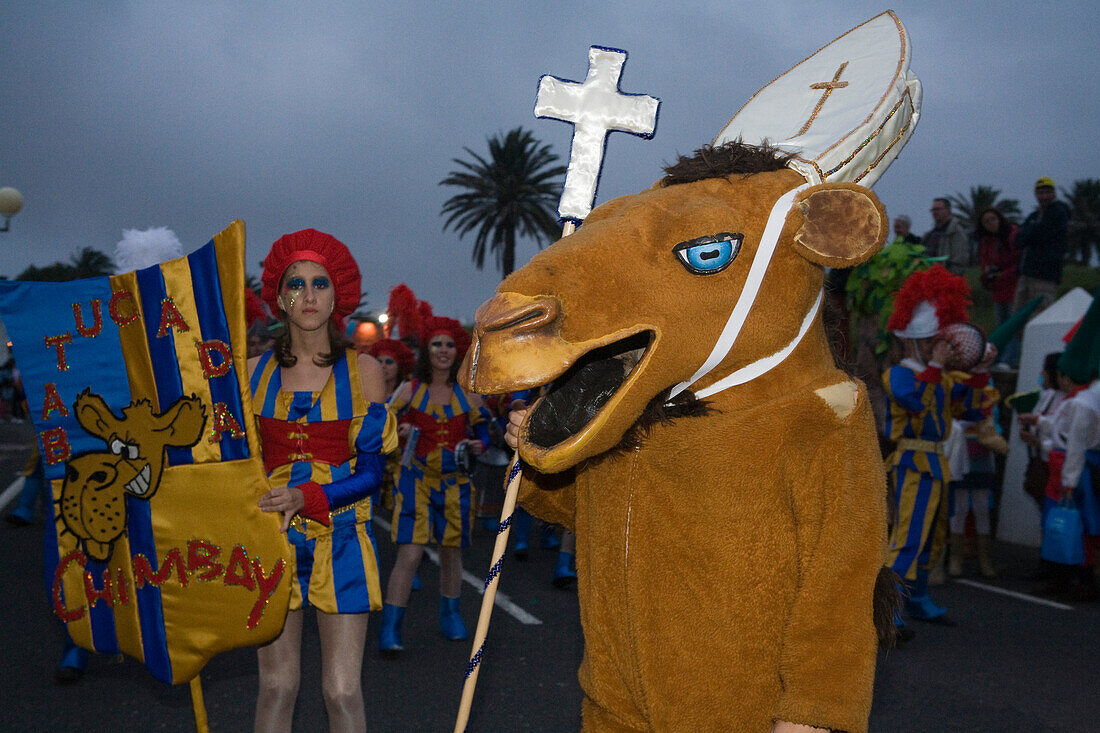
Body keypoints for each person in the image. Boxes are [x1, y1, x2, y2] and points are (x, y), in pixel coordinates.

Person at [250, 228, 396, 733]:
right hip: (271, 539)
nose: (308, 295)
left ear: (339, 296)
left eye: (319, 283)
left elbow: (373, 473)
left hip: (343, 540)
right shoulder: (251, 373)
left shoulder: (365, 371)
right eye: (296, 284)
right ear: (279, 295)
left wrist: (308, 495)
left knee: (341, 689)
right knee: (276, 686)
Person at [882, 265, 997, 631]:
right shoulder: (900, 372)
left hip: (937, 461)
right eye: (934, 341)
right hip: (912, 462)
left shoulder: (942, 377)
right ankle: (888, 609)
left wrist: (982, 370)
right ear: (915, 341)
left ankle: (917, 598)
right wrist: (935, 366)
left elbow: (972, 408)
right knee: (908, 536)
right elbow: (912, 401)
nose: (941, 347)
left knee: (932, 537)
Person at [378, 313, 489, 655]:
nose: (443, 350)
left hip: (455, 483)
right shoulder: (409, 390)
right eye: (437, 344)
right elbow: (383, 427)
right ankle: (391, 627)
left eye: (450, 344)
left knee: (451, 552)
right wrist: (398, 432)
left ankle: (451, 614)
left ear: (459, 351)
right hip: (415, 481)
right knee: (410, 554)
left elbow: (485, 430)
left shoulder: (469, 394)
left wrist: (478, 444)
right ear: (427, 350)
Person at [923, 198, 969, 274]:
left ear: (948, 210)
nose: (934, 212)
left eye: (937, 209)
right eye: (933, 210)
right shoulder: (929, 234)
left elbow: (959, 262)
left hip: (946, 280)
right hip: (929, 279)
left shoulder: (956, 232)